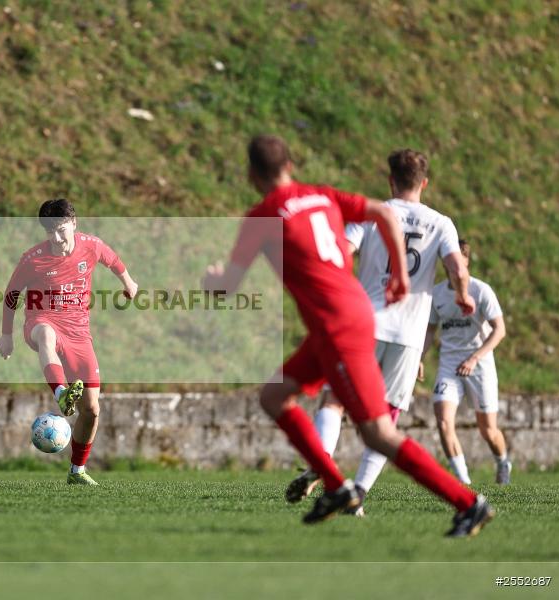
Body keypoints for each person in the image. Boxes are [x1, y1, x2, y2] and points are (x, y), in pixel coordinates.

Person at [202, 135, 493, 536]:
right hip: (350, 317)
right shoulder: (321, 195)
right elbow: (382, 213)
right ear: (290, 166)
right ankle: (336, 487)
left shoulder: (263, 217)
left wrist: (211, 280)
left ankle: (468, 503)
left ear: (251, 174)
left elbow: (227, 286)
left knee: (378, 431)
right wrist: (401, 275)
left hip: (340, 326)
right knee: (274, 395)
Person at [285, 149, 474, 514]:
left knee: (334, 400)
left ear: (391, 180)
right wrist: (463, 295)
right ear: (424, 183)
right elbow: (457, 269)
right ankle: (357, 495)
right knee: (386, 421)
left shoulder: (372, 214)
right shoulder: (441, 223)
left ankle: (321, 463)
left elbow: (342, 252)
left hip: (365, 323)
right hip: (409, 335)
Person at [0, 199, 138, 485]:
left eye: (61, 230)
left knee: (91, 410)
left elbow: (113, 260)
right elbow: (11, 295)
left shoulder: (91, 246)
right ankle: (61, 391)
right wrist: (6, 335)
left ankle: (77, 470)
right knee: (46, 335)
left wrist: (129, 283)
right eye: (50, 232)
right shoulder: (32, 259)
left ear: (74, 223)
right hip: (41, 320)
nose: (57, 238)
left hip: (79, 334)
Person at [423, 240, 511, 485]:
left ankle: (503, 461)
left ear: (466, 261)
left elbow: (500, 330)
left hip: (479, 365)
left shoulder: (481, 291)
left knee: (488, 430)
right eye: (448, 260)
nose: (452, 266)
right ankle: (464, 484)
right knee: (443, 422)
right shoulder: (437, 294)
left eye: (457, 260)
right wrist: (419, 358)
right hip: (449, 365)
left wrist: (474, 358)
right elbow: (430, 330)